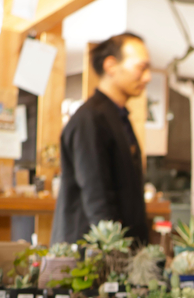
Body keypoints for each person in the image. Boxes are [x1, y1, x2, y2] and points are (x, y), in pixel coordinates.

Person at [51, 32, 152, 245]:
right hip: (90, 257)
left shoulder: (117, 116)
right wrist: (114, 252)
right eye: (141, 68)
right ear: (111, 66)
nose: (147, 77)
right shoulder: (90, 119)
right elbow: (97, 195)